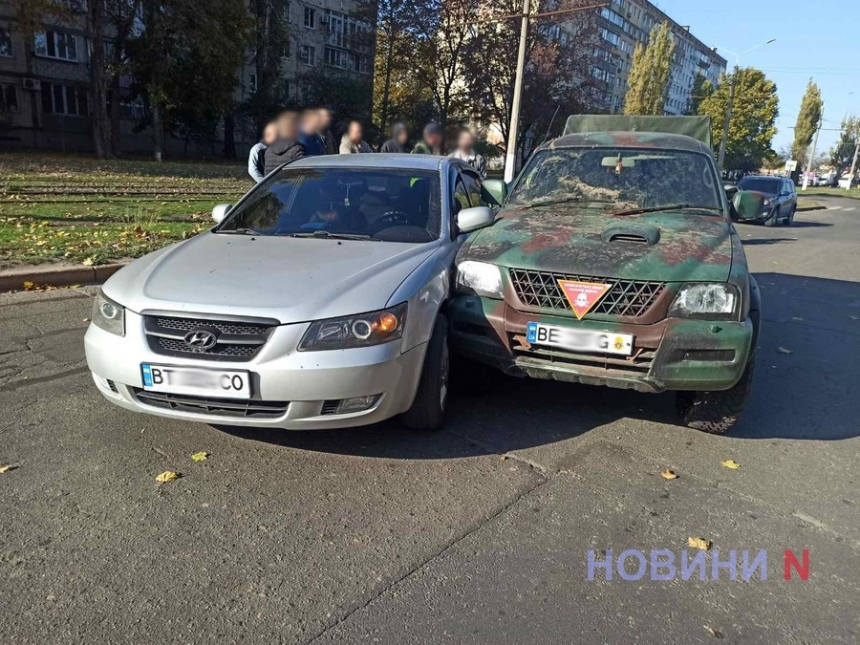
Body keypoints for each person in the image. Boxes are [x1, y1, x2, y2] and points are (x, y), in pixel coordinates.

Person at [264, 111, 305, 176]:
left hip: (272, 185)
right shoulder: (296, 149)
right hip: (290, 185)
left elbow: (266, 173)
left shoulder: (268, 150)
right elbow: (303, 171)